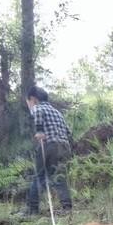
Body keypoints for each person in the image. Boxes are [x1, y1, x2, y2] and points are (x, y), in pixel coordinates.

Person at [24, 85, 73, 216]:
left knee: (39, 176)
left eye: (28, 103)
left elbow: (37, 113)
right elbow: (68, 131)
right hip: (64, 146)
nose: (29, 106)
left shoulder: (38, 108)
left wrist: (39, 130)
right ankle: (67, 206)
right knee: (59, 176)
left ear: (33, 99)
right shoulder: (57, 112)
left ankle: (32, 209)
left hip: (49, 145)